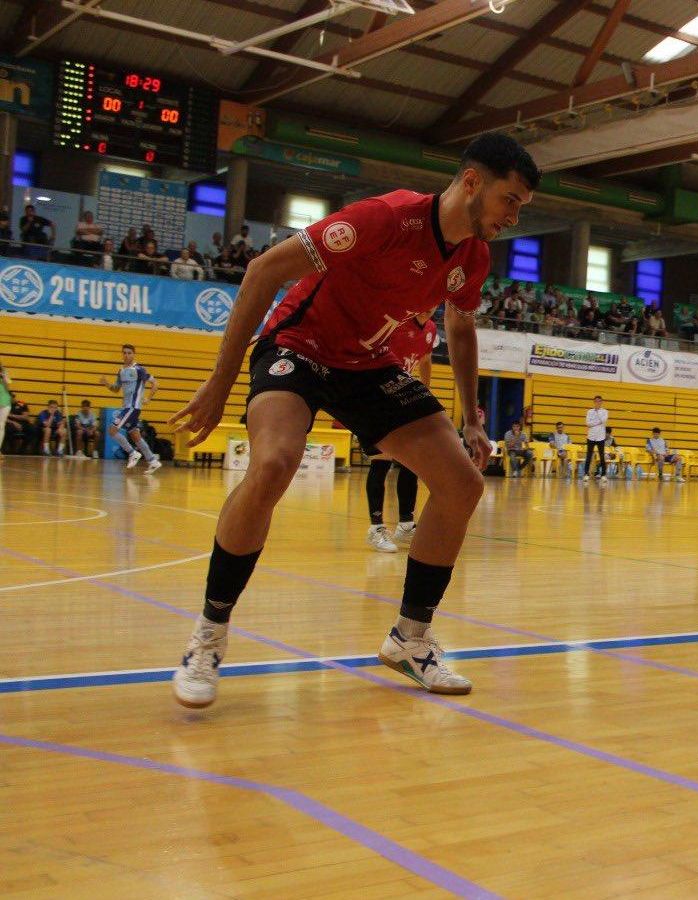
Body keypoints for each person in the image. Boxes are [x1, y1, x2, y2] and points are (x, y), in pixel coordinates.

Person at [166, 133, 538, 708]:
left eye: (520, 207)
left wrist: (472, 420)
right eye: (510, 200)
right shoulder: (385, 218)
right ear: (472, 182)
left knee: (462, 484)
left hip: (369, 364)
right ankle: (208, 637)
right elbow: (264, 270)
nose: (514, 215)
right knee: (272, 465)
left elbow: (461, 330)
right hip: (300, 345)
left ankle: (409, 640)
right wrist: (220, 381)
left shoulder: (473, 257)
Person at [366, 314, 436, 553]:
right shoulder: (398, 322)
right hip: (377, 397)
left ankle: (405, 524)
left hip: (403, 398)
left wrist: (424, 391)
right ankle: (376, 528)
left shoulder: (431, 328)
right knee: (381, 462)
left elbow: (426, 359)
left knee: (412, 463)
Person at [105, 343, 161, 471]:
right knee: (135, 435)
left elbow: (155, 383)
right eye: (124, 353)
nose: (126, 355)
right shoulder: (121, 371)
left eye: (129, 353)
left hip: (133, 407)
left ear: (133, 354)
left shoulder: (139, 370)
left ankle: (132, 453)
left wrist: (148, 398)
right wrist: (107, 384)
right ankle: (152, 460)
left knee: (112, 430)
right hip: (127, 407)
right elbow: (116, 389)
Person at [582, 395, 608, 482]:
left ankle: (603, 475)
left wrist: (597, 414)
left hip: (600, 437)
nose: (597, 403)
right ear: (594, 402)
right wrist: (598, 422)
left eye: (599, 401)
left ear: (601, 402)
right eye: (596, 401)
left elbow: (603, 420)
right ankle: (586, 474)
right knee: (589, 456)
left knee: (602, 456)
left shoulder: (605, 411)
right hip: (591, 436)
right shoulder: (589, 411)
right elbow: (588, 423)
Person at [0, 358, 11, 457]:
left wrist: (4, 377)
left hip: (5, 402)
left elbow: (7, 388)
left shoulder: (4, 372)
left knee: (1, 426)